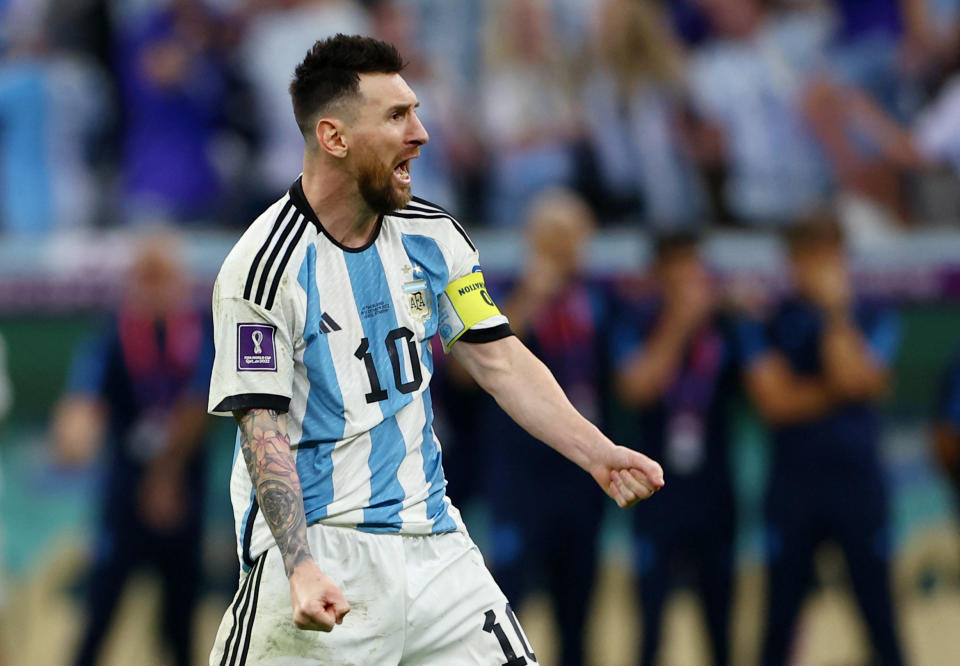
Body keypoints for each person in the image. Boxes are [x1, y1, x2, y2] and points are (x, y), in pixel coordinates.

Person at [206, 34, 664, 665]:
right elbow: (261, 425)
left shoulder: (434, 235)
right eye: (396, 116)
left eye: (415, 111)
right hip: (323, 555)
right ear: (334, 137)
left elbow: (499, 357)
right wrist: (301, 566)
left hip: (435, 546)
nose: (420, 133)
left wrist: (597, 452)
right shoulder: (262, 269)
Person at [738, 216, 905, 665]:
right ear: (790, 261)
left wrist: (834, 313)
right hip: (793, 490)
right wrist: (841, 389)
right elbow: (777, 404)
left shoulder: (873, 312)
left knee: (881, 621)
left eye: (826, 253)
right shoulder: (766, 318)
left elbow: (859, 380)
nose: (816, 266)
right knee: (779, 625)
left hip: (858, 486)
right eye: (804, 254)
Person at [51, 234, 214, 666]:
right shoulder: (114, 332)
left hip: (182, 495)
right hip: (124, 498)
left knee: (180, 624)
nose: (153, 289)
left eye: (162, 278)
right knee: (100, 616)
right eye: (144, 279)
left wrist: (167, 476)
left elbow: (199, 404)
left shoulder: (201, 327)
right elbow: (83, 398)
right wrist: (72, 432)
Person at [477, 189, 609, 666]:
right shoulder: (498, 290)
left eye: (574, 237)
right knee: (503, 606)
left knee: (577, 612)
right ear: (532, 239)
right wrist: (532, 294)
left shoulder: (597, 297)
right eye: (554, 237)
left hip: (579, 477)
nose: (565, 248)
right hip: (520, 478)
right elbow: (466, 370)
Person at [610, 232, 737, 666]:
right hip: (654, 494)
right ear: (657, 275)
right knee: (650, 626)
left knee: (720, 625)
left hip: (715, 491)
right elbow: (637, 388)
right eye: (676, 268)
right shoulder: (636, 323)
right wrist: (680, 325)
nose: (688, 279)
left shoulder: (725, 325)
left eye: (694, 267)